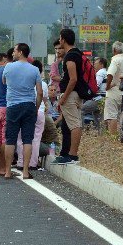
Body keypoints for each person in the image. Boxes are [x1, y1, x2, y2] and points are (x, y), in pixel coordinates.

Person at [2, 42, 42, 180]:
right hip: (29, 105)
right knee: (27, 139)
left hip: (13, 106)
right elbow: (40, 92)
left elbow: (4, 82)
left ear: (20, 52)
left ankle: (7, 171)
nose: (13, 53)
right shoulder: (35, 70)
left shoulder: (8, 66)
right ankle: (25, 171)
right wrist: (36, 108)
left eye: (14, 50)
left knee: (10, 139)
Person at [53, 28, 84, 164]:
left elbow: (73, 79)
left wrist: (64, 96)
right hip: (75, 94)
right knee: (70, 124)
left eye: (60, 38)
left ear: (63, 40)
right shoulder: (77, 54)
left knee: (74, 124)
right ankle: (68, 153)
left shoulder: (70, 56)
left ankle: (72, 155)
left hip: (71, 95)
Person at [104, 41, 123, 135]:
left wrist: (107, 86)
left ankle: (113, 137)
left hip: (114, 91)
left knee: (112, 116)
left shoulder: (115, 60)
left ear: (114, 50)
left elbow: (110, 74)